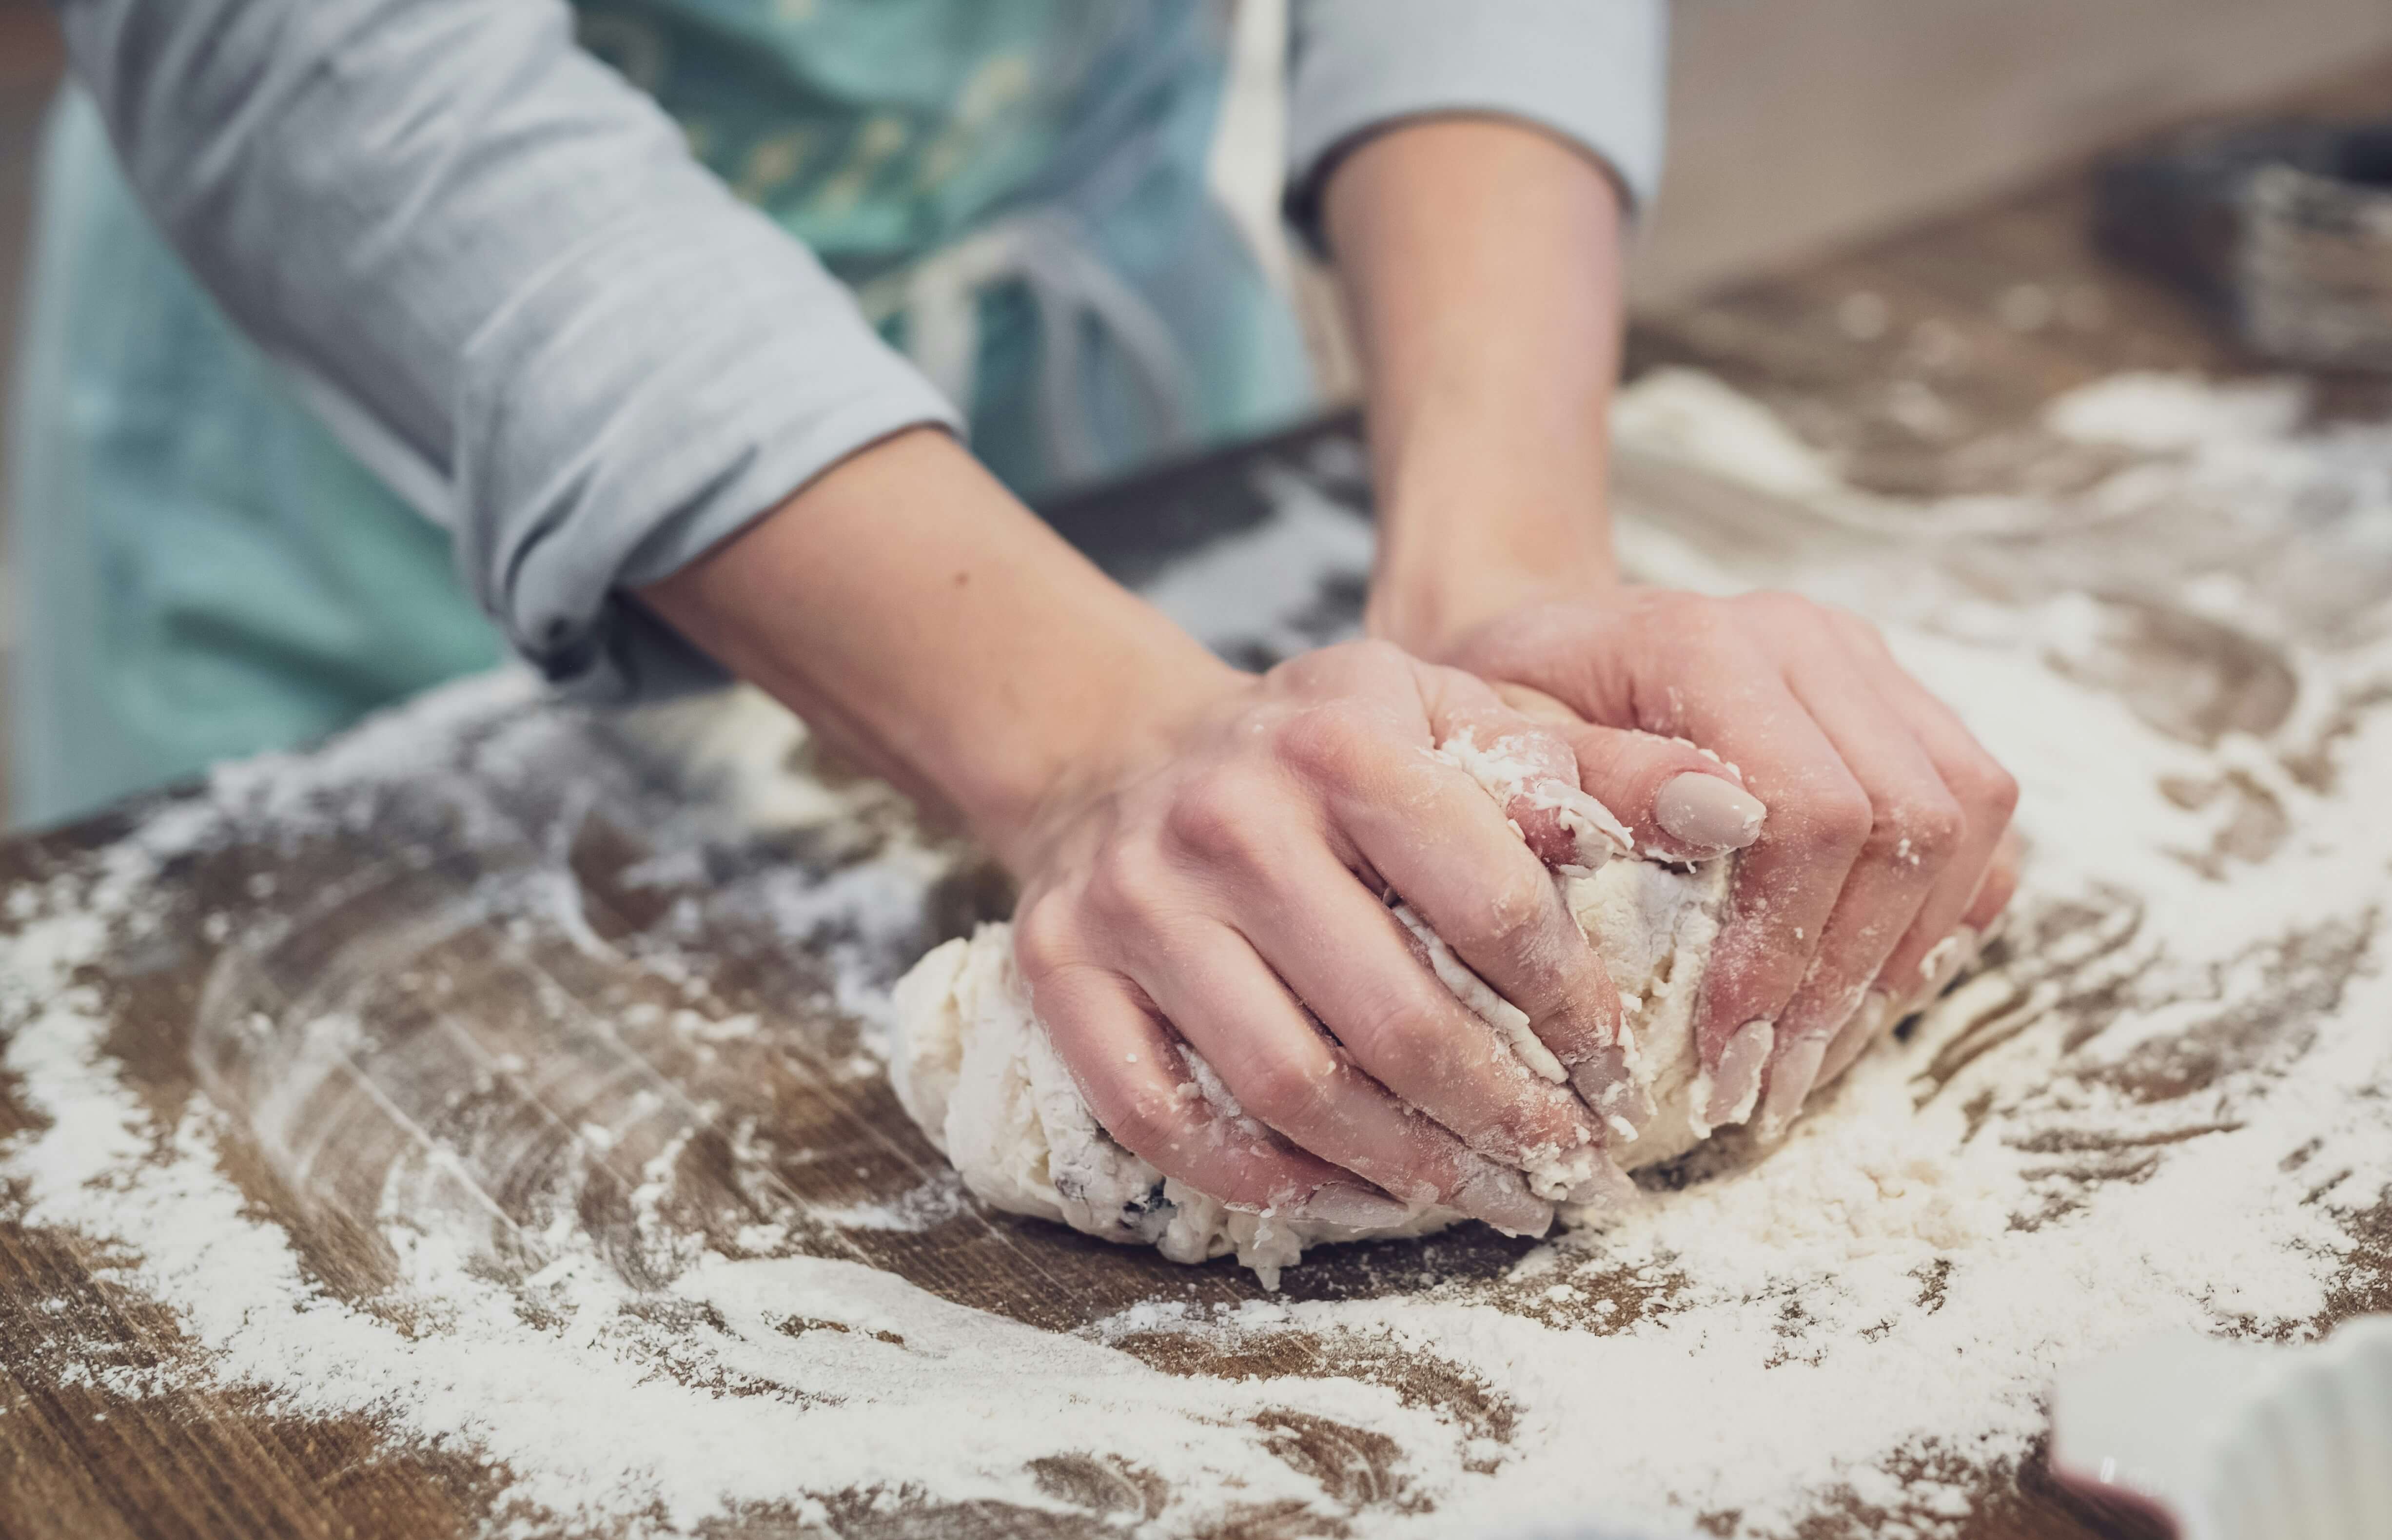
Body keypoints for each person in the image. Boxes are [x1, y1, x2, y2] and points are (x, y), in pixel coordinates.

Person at [17, 0, 2018, 1230]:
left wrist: (1500, 573)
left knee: (1303, 879)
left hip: (1100, 375)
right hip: (400, 444)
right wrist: (1091, 738)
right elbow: (311, 51)